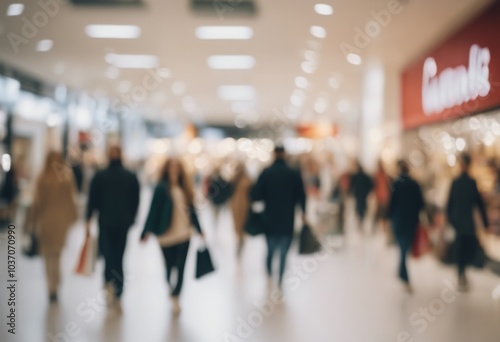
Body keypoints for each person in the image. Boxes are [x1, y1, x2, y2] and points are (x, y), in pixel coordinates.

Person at [141, 158, 204, 314]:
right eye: (171, 167)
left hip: (184, 234)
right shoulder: (161, 188)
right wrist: (145, 231)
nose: (174, 170)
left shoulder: (185, 188)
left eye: (177, 167)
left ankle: (176, 296)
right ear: (166, 169)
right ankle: (170, 286)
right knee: (169, 265)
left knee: (181, 266)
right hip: (165, 235)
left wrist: (200, 230)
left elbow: (192, 211)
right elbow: (153, 210)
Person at [85, 146, 140, 310]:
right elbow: (136, 201)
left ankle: (109, 285)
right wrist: (131, 218)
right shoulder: (130, 176)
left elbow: (92, 200)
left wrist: (88, 219)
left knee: (109, 255)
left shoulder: (101, 175)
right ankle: (117, 290)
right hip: (121, 224)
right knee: (118, 256)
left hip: (107, 222)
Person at [251, 145, 307, 288]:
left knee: (270, 250)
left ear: (274, 154)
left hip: (269, 218)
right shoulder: (293, 173)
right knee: (283, 252)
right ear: (285, 154)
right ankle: (280, 279)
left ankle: (270, 274)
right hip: (287, 219)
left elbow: (255, 195)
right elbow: (302, 195)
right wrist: (303, 212)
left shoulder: (266, 172)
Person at [26, 152, 78, 302]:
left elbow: (36, 203)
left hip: (46, 221)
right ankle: (57, 279)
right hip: (62, 222)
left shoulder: (42, 179)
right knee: (57, 253)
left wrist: (29, 222)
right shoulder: (66, 178)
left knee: (48, 254)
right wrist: (73, 218)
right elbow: (71, 200)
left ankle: (51, 286)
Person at [446, 154, 489, 291]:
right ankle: (461, 272)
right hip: (464, 222)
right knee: (463, 247)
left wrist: (451, 219)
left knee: (462, 247)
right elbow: (478, 204)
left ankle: (462, 272)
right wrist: (485, 221)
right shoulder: (466, 182)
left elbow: (450, 205)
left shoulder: (462, 182)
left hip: (461, 222)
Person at [388, 160, 424, 293]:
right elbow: (421, 203)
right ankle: (403, 275)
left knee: (402, 248)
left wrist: (388, 218)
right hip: (411, 221)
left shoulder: (395, 184)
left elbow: (391, 204)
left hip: (398, 221)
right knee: (404, 248)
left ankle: (402, 274)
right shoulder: (415, 184)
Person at [230, 162, 252, 257]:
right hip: (236, 206)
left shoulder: (247, 180)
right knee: (238, 228)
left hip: (244, 206)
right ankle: (239, 242)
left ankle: (241, 243)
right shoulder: (234, 180)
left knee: (242, 227)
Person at [350, 161, 373, 229]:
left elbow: (352, 185)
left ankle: (360, 220)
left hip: (358, 194)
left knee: (359, 207)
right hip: (363, 195)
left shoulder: (355, 176)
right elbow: (370, 185)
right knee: (362, 207)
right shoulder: (365, 176)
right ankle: (361, 220)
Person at [373, 160, 391, 233]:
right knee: (382, 214)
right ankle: (383, 228)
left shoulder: (382, 175)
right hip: (382, 197)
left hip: (383, 197)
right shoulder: (382, 175)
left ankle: (383, 228)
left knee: (383, 214)